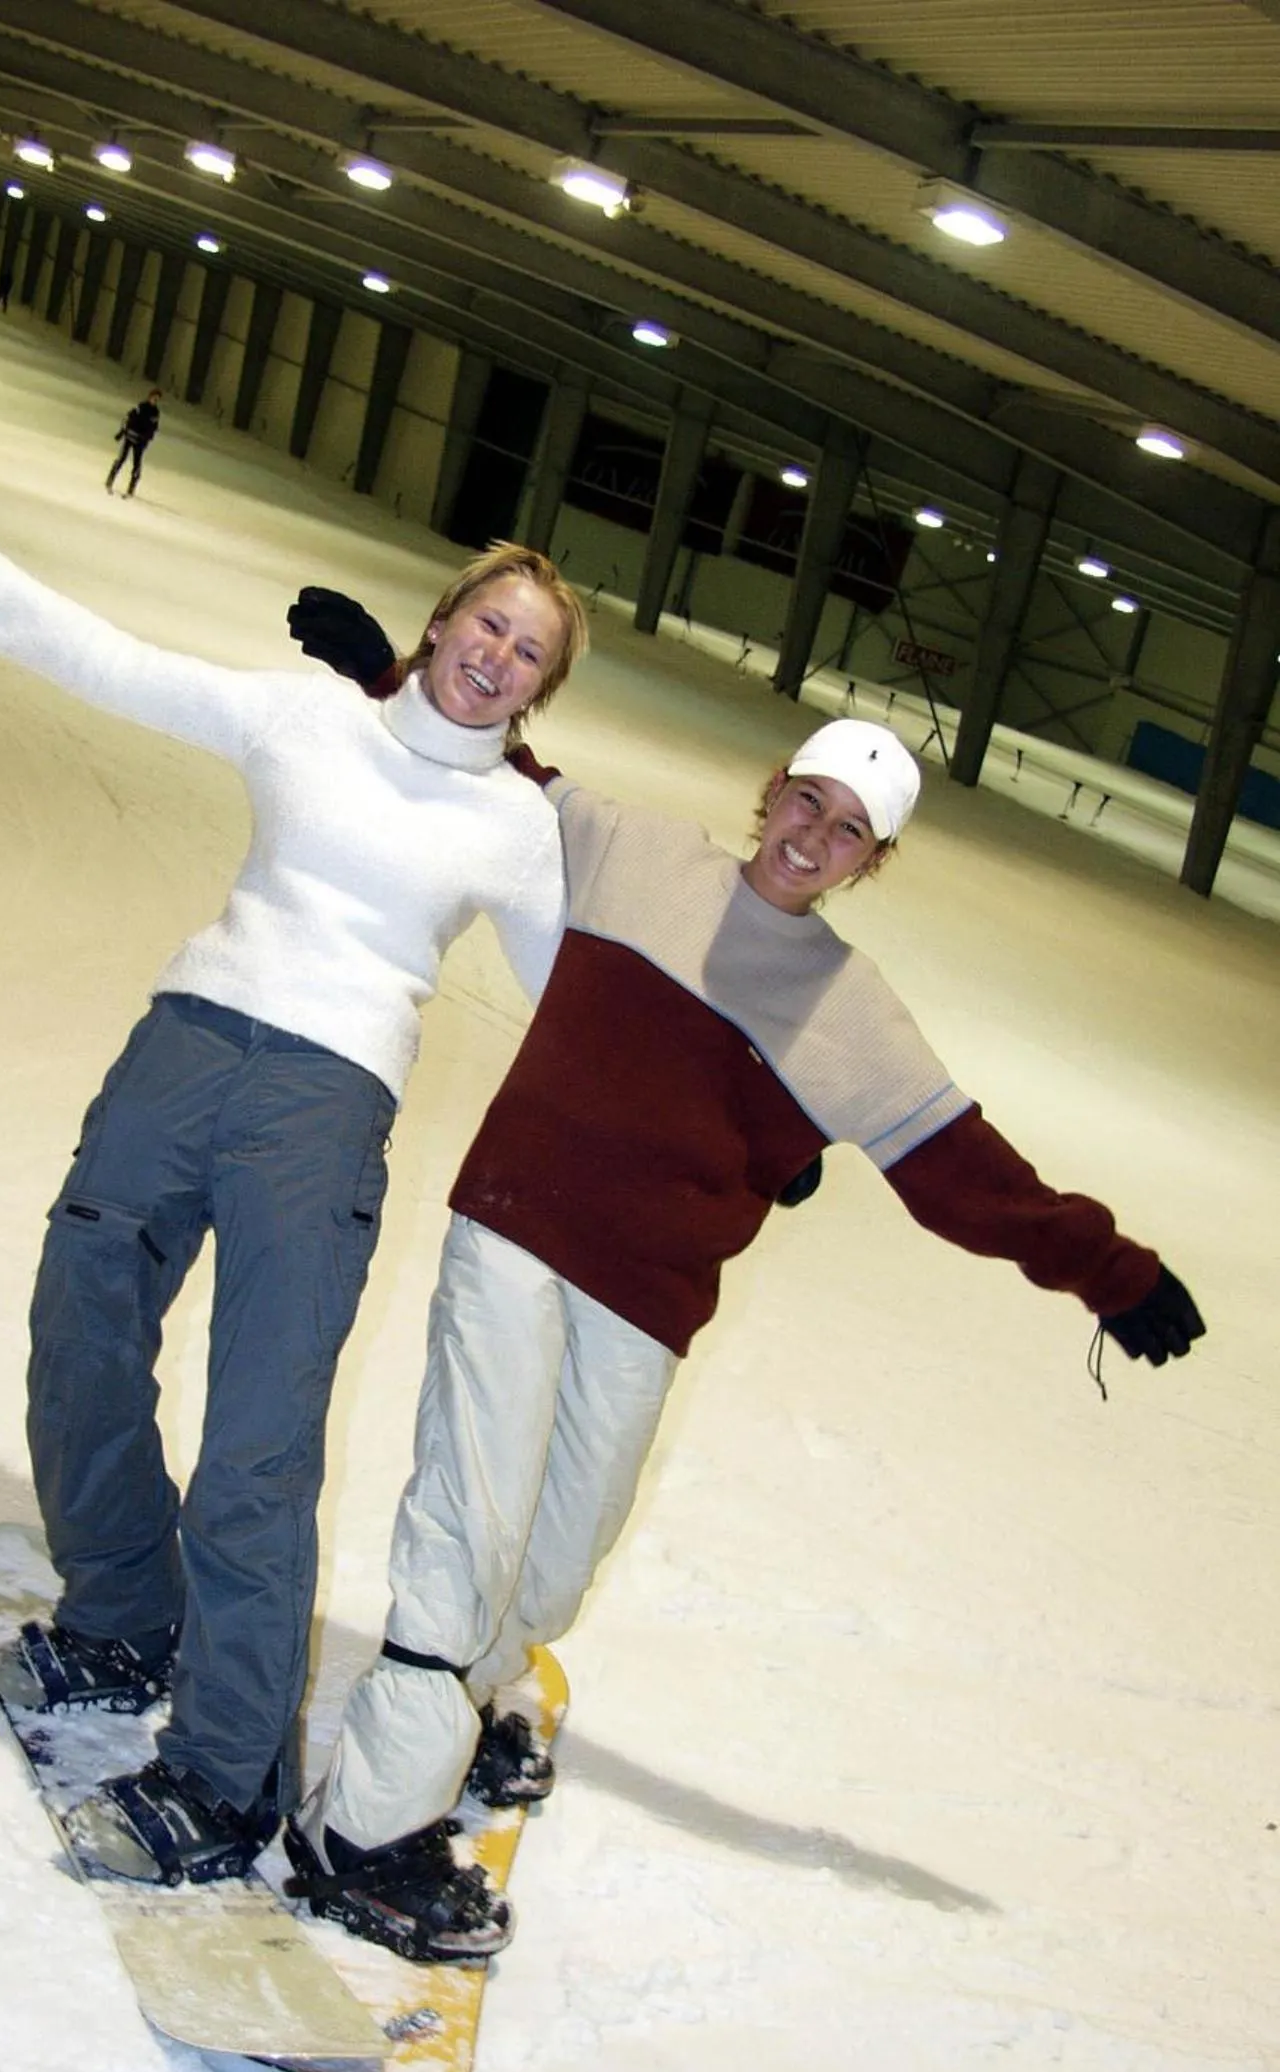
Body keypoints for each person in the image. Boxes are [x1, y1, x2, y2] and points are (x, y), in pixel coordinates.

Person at [270, 620, 1205, 1962]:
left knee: (561, 1548)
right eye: (807, 802)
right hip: (520, 1224)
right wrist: (384, 674)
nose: (812, 838)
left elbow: (964, 1174)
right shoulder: (635, 850)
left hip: (645, 1292)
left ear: (874, 862)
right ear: (773, 790)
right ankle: (362, 1831)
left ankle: (462, 1707)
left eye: (849, 832)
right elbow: (497, 771)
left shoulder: (851, 1011)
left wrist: (1105, 1270)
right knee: (470, 1523)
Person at [0, 528, 590, 1885]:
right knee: (80, 1323)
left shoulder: (518, 828)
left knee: (258, 1442)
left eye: (529, 652)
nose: (498, 656)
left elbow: (583, 1010)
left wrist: (734, 1119)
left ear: (540, 689)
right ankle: (125, 1608)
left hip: (327, 1103)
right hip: (187, 1038)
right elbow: (113, 663)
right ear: (442, 620)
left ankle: (226, 1774)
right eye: (490, 623)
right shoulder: (306, 718)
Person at [107, 389, 162, 497]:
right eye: (154, 398)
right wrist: (122, 432)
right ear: (149, 397)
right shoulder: (141, 407)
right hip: (130, 436)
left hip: (140, 441)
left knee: (137, 464)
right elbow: (129, 418)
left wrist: (146, 439)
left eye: (157, 399)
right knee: (121, 459)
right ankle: (110, 479)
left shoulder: (155, 412)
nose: (155, 400)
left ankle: (131, 488)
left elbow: (153, 428)